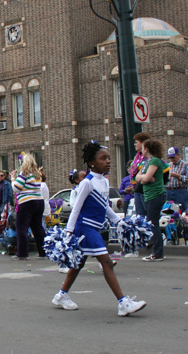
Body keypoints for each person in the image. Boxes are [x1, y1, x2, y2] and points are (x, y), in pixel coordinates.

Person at [51, 141, 147, 316]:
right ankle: (123, 303)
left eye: (108, 158)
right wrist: (68, 233)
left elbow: (105, 206)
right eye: (103, 158)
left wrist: (119, 222)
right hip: (85, 228)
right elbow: (76, 208)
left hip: (93, 228)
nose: (108, 161)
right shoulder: (86, 183)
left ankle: (61, 295)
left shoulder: (103, 181)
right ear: (92, 163)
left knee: (78, 265)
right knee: (107, 263)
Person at [10, 154, 46, 260]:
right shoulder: (37, 174)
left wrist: (13, 178)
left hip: (26, 202)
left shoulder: (24, 173)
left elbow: (16, 188)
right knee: (38, 227)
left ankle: (23, 253)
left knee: (22, 227)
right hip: (39, 201)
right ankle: (43, 251)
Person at [136, 139, 167, 262]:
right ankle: (157, 251)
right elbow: (137, 177)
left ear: (147, 149)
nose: (141, 150)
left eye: (142, 148)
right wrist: (145, 178)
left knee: (153, 223)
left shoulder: (154, 160)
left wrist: (145, 178)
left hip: (155, 195)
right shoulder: (146, 162)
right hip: (148, 195)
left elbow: (145, 178)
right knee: (151, 222)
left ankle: (158, 252)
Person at [165, 147, 188, 245]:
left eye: (174, 157)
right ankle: (172, 237)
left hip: (181, 191)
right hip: (169, 191)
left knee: (184, 214)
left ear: (178, 155)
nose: (172, 160)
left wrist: (179, 176)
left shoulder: (185, 165)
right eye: (171, 158)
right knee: (170, 214)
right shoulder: (168, 166)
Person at [129, 132, 151, 216]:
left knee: (148, 212)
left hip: (146, 188)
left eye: (136, 142)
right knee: (140, 214)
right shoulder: (137, 157)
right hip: (137, 188)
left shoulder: (148, 157)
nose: (134, 144)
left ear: (142, 143)